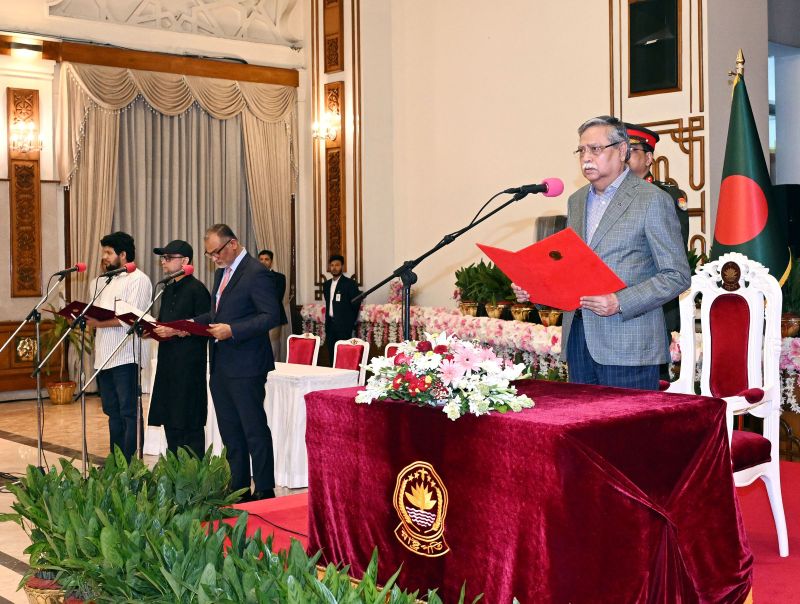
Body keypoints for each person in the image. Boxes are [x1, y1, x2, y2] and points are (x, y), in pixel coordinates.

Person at [560, 116, 690, 391]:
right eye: (581, 150)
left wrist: (620, 301)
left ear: (621, 151)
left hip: (629, 344)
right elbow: (575, 266)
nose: (586, 158)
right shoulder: (576, 201)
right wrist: (536, 287)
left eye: (595, 149)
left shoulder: (652, 199)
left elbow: (676, 275)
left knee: (627, 422)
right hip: (579, 340)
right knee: (580, 419)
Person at [193, 224, 280, 501]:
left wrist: (233, 330)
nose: (214, 258)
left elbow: (271, 316)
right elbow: (216, 314)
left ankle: (264, 488)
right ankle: (239, 487)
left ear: (232, 243)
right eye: (209, 254)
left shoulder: (256, 272)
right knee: (230, 431)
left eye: (216, 252)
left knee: (253, 429)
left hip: (247, 364)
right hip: (221, 364)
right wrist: (189, 325)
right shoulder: (222, 273)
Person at [87, 231, 152, 462]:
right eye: (103, 252)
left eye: (108, 252)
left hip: (126, 355)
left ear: (123, 255)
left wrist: (98, 323)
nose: (104, 257)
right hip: (103, 356)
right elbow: (94, 313)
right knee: (112, 412)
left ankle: (132, 464)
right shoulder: (99, 282)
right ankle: (116, 462)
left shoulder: (139, 280)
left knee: (128, 412)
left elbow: (131, 318)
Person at [625, 122, 690, 337]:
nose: (624, 157)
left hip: (656, 302)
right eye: (620, 151)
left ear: (648, 158)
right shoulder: (609, 198)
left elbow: (673, 252)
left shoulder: (665, 196)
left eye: (631, 151)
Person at [149, 240, 211, 457]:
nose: (163, 262)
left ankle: (193, 470)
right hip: (168, 362)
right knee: (170, 416)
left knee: (188, 418)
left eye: (168, 258)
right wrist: (150, 328)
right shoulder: (167, 289)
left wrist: (177, 331)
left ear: (185, 261)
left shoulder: (197, 289)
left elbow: (206, 326)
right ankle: (174, 468)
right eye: (163, 258)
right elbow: (164, 322)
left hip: (189, 365)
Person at [322, 254, 360, 363]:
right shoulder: (326, 285)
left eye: (337, 265)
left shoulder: (350, 284)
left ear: (342, 266)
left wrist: (350, 322)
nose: (334, 268)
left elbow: (356, 304)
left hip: (344, 326)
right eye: (332, 265)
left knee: (343, 356)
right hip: (330, 325)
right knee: (331, 356)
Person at [258, 249, 289, 362]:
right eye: (261, 259)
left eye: (266, 259)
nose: (263, 262)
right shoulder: (252, 277)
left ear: (271, 262)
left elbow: (277, 297)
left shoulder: (280, 277)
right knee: (258, 346)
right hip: (256, 317)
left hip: (273, 316)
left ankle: (275, 368)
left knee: (273, 345)